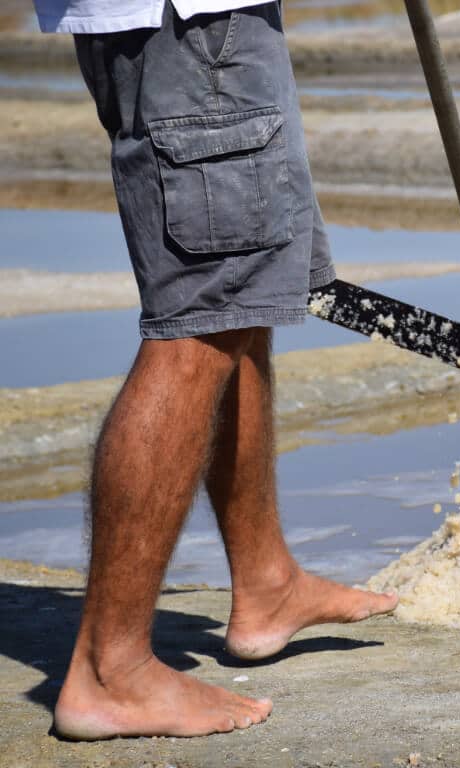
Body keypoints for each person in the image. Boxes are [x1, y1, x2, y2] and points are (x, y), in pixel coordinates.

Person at [31, 0, 400, 740]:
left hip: (199, 23)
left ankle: (266, 585)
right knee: (201, 320)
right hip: (191, 24)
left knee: (246, 292)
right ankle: (111, 673)